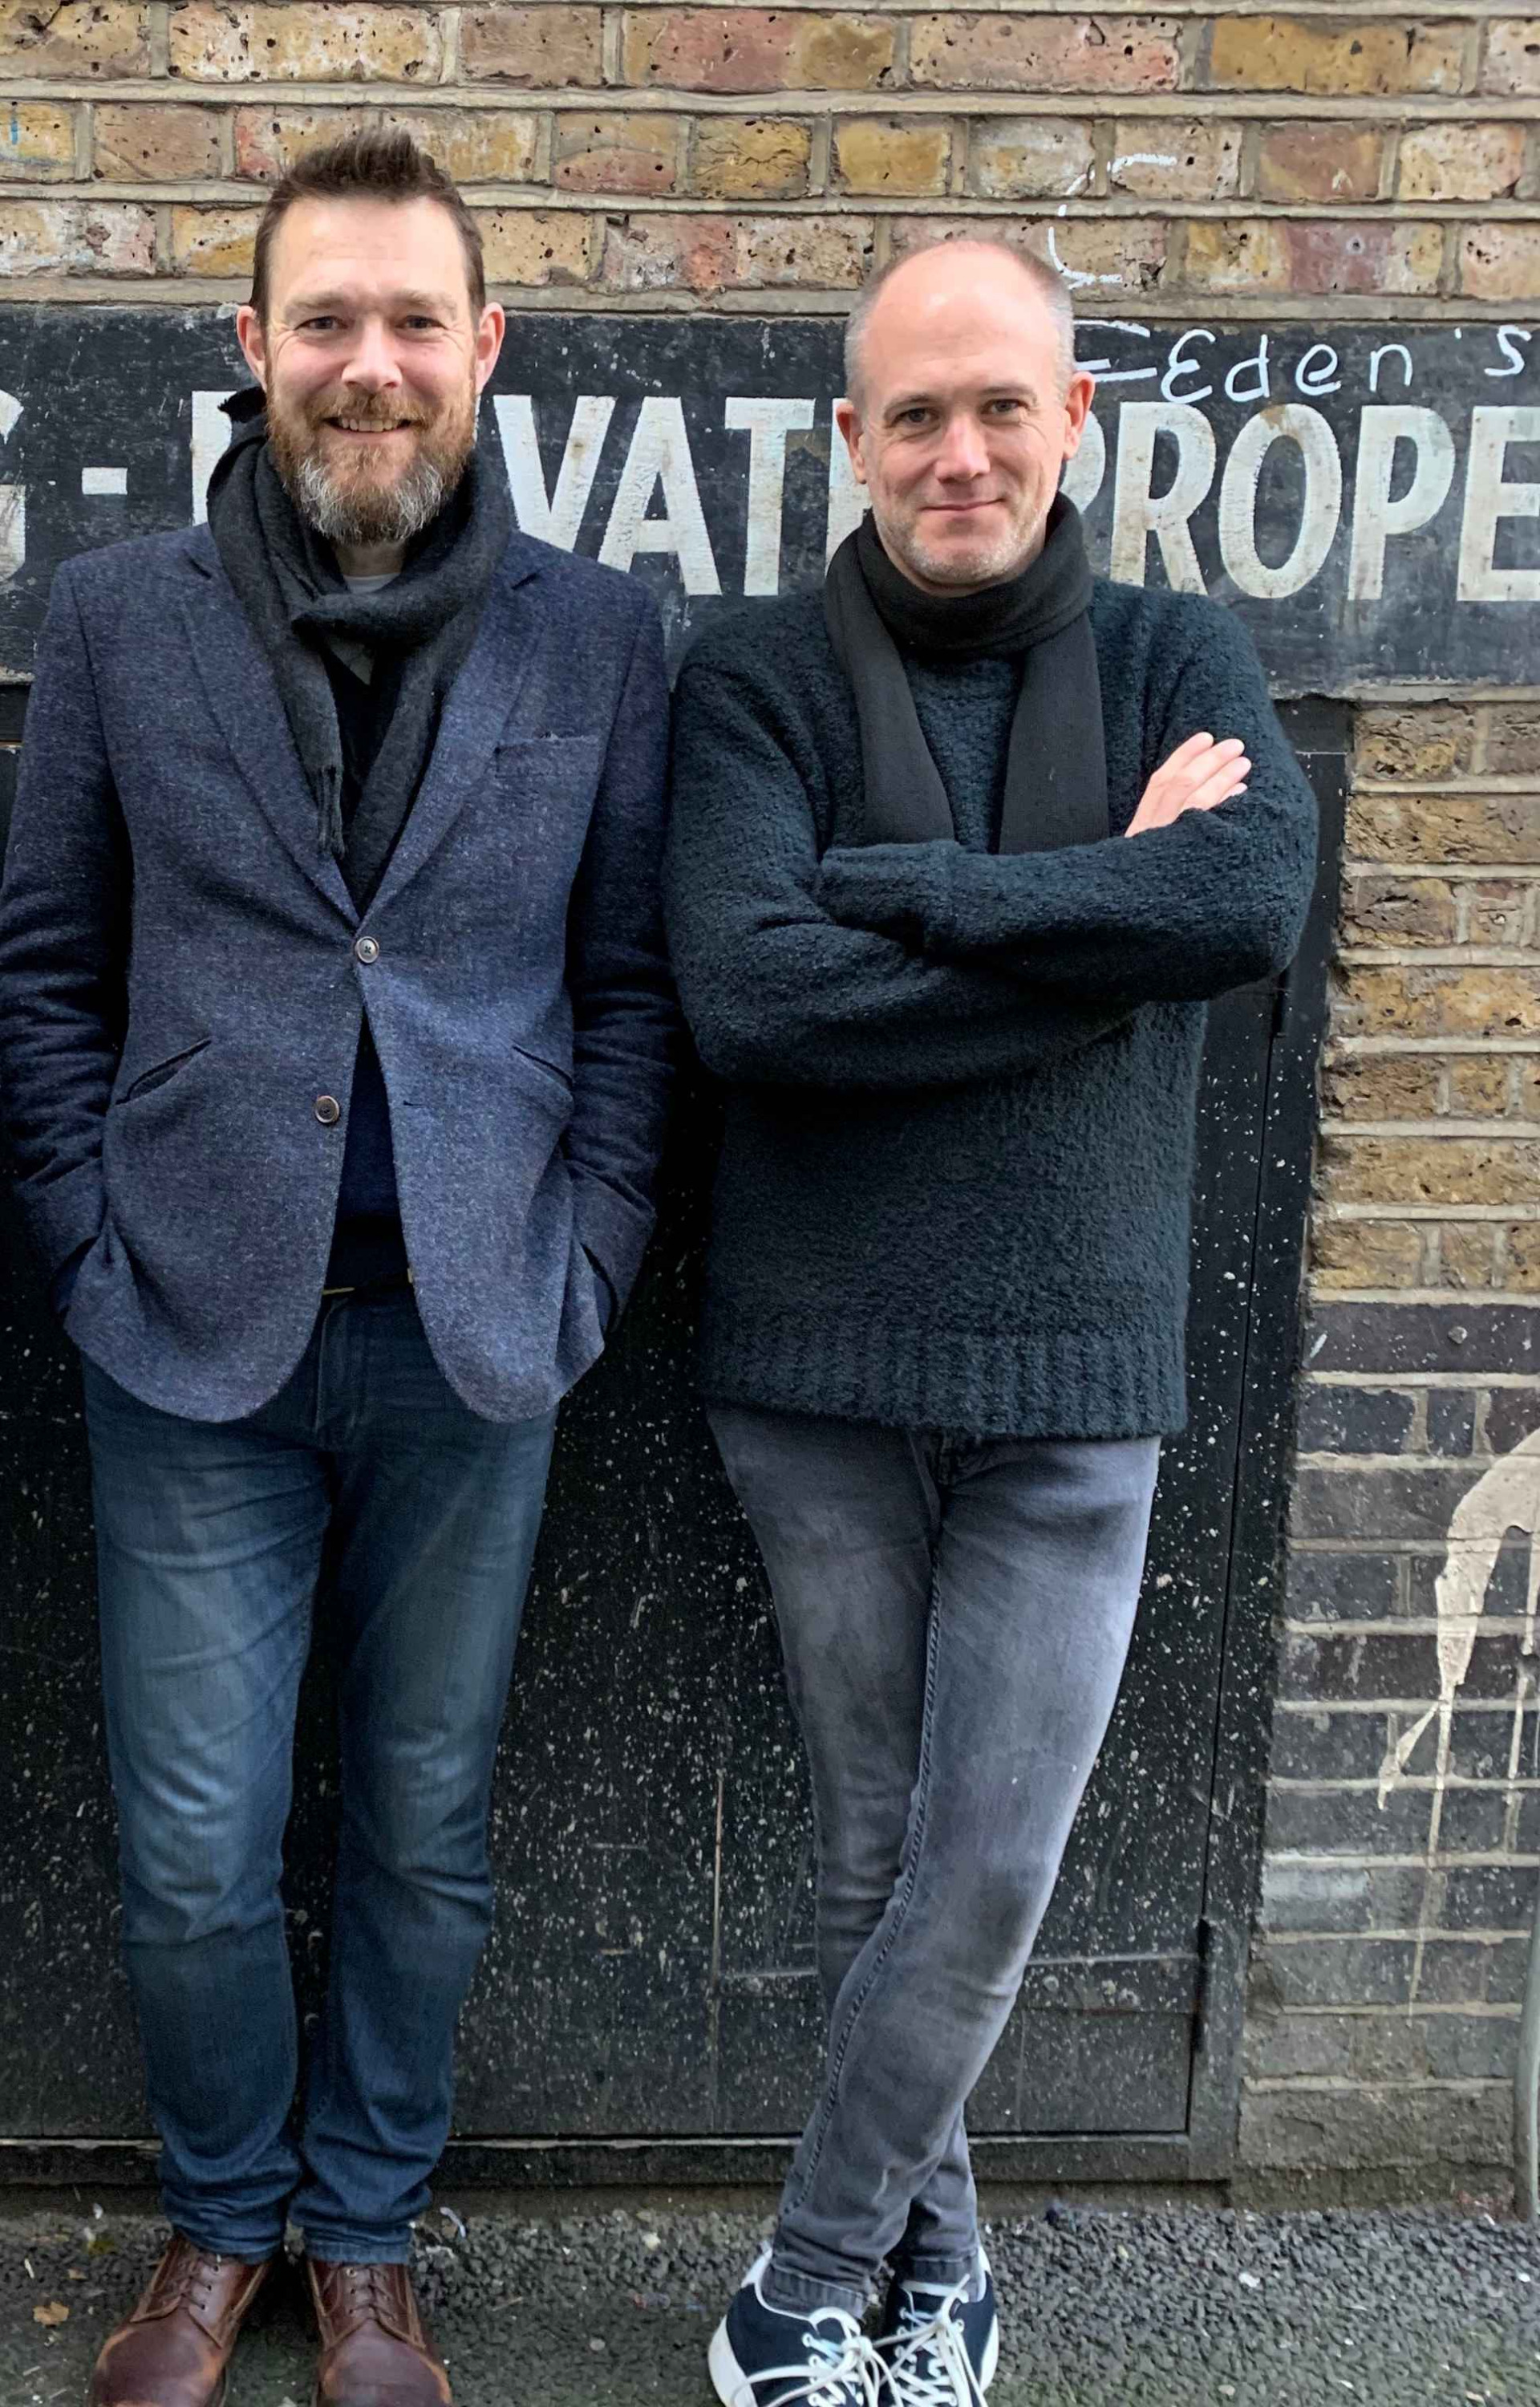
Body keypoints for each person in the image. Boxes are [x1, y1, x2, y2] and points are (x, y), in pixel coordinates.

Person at [0, 128, 679, 2407]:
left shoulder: (598, 633)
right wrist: (88, 1241)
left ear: (484, 346)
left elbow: (629, 989)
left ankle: (365, 2236)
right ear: (254, 347)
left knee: (426, 1831)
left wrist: (585, 1259)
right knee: (195, 1846)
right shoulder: (123, 615)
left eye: (410, 320)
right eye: (323, 322)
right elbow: (50, 966)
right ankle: (220, 2224)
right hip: (188, 1334)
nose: (367, 364)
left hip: (478, 1340)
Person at [667, 239, 1317, 2407]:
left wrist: (927, 895)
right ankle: (936, 2274)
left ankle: (801, 2284)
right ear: (852, 439)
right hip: (822, 1366)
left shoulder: (1175, 656)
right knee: (878, 1858)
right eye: (918, 414)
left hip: (1077, 1375)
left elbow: (1243, 899)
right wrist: (1100, 926)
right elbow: (756, 996)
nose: (962, 452)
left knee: (988, 1870)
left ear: (1074, 421)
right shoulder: (757, 681)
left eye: (1001, 407)